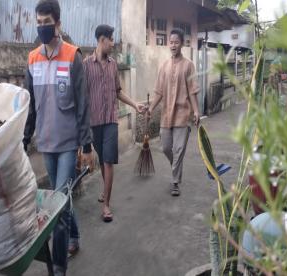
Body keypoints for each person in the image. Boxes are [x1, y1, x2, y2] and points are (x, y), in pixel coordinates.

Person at [22, 0, 94, 274]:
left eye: (47, 22)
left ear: (58, 24)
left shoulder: (72, 56)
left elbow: (83, 104)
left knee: (57, 205)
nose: (42, 27)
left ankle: (59, 268)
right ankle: (75, 236)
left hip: (67, 143)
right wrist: (25, 138)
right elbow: (29, 105)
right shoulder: (32, 59)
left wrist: (86, 144)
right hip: (45, 143)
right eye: (39, 23)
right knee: (59, 198)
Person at [83, 25, 145, 222]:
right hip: (94, 122)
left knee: (108, 160)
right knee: (102, 159)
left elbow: (118, 91)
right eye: (111, 39)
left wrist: (135, 104)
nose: (113, 43)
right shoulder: (85, 65)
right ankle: (105, 190)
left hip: (110, 119)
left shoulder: (112, 65)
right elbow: (82, 97)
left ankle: (107, 205)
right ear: (102, 40)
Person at [147, 28, 200, 197]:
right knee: (166, 148)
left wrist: (196, 111)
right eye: (171, 42)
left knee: (178, 149)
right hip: (166, 115)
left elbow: (192, 91)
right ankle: (175, 167)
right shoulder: (164, 66)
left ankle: (175, 182)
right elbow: (159, 92)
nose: (173, 45)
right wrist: (150, 108)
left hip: (183, 115)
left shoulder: (189, 65)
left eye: (176, 42)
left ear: (182, 44)